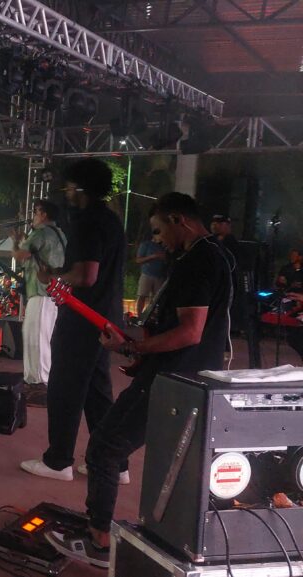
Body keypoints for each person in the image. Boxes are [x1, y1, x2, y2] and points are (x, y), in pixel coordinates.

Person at [46, 192, 232, 569]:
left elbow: (190, 331)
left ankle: (99, 539)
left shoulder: (198, 261)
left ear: (178, 220)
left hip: (172, 378)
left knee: (104, 448)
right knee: (164, 462)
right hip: (185, 377)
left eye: (159, 230)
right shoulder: (211, 255)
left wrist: (136, 347)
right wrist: (139, 350)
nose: (158, 239)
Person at [21, 158, 126, 482]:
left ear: (80, 189)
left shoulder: (87, 221)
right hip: (104, 317)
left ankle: (58, 461)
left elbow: (85, 275)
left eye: (68, 187)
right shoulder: (111, 220)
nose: (66, 193)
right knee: (97, 392)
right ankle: (113, 463)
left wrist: (53, 276)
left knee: (65, 387)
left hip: (82, 317)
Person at [13, 199, 66, 390]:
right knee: (37, 335)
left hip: (41, 291)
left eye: (35, 212)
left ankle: (41, 379)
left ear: (43, 214)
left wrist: (15, 242)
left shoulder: (41, 232)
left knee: (37, 336)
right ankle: (34, 377)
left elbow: (20, 255)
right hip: (52, 292)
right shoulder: (60, 234)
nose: (33, 217)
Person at [134, 231, 167, 317]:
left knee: (157, 299)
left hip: (160, 276)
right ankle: (139, 316)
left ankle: (153, 316)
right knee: (142, 295)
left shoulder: (165, 246)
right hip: (147, 274)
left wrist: (164, 257)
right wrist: (153, 256)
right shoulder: (146, 245)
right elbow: (138, 260)